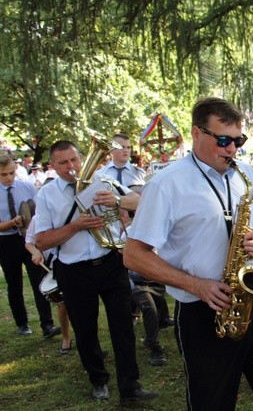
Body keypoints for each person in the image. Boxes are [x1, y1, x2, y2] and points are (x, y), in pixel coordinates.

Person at [124, 97, 253, 411]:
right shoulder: (166, 184)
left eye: (238, 140)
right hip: (203, 309)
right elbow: (134, 255)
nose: (232, 149)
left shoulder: (248, 174)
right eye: (223, 140)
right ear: (197, 134)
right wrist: (198, 286)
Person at [34, 140, 156, 405]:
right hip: (74, 270)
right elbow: (41, 241)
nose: (72, 167)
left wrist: (117, 200)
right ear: (52, 166)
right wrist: (76, 226)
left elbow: (138, 201)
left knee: (123, 325)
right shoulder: (47, 194)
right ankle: (98, 379)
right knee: (85, 328)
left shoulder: (100, 179)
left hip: (110, 261)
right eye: (63, 163)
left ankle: (130, 387)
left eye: (75, 160)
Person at [0, 154, 59, 338]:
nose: (9, 177)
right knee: (14, 283)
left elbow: (39, 212)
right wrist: (11, 223)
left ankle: (47, 324)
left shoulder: (27, 187)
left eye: (11, 173)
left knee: (38, 280)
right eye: (3, 175)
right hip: (5, 242)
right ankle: (22, 323)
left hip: (28, 238)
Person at [24, 214, 72, 355]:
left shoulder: (69, 213)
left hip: (74, 263)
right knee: (62, 305)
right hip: (52, 266)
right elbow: (29, 242)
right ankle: (66, 337)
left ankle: (88, 342)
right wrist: (36, 252)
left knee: (82, 304)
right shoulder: (37, 219)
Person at [129, 269, 172, 366]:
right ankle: (154, 347)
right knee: (150, 309)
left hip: (155, 279)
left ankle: (163, 320)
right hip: (135, 282)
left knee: (158, 302)